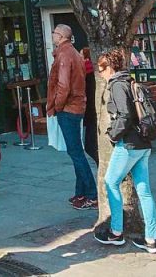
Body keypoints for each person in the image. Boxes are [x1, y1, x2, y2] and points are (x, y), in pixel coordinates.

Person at [93, 50, 156, 254]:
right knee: (144, 190)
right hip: (143, 143)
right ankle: (150, 237)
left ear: (110, 67)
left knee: (110, 181)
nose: (100, 73)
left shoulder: (117, 86)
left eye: (101, 69)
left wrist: (112, 135)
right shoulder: (130, 82)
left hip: (128, 144)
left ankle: (116, 232)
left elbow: (124, 115)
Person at [46, 25, 97, 209]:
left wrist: (57, 106)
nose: (52, 35)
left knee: (76, 152)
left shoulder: (64, 54)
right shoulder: (73, 52)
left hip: (69, 109)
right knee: (75, 151)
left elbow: (63, 85)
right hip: (75, 107)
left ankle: (91, 193)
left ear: (60, 36)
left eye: (54, 33)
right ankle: (81, 192)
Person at [81, 47, 99, 165]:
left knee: (90, 145)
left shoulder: (85, 74)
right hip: (94, 113)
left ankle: (101, 164)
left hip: (92, 113)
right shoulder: (93, 73)